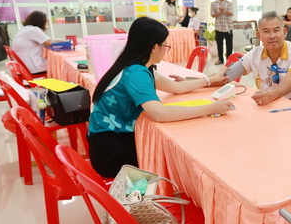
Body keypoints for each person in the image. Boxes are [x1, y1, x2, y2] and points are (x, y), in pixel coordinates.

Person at [88, 17, 232, 178]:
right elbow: (159, 113)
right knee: (173, 155)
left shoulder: (137, 65)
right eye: (165, 45)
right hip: (112, 152)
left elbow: (176, 87)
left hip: (108, 140)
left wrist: (210, 79)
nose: (165, 50)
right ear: (154, 47)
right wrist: (210, 108)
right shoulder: (136, 73)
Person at [241, 11, 291, 106]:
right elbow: (229, 73)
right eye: (266, 31)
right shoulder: (254, 54)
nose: (272, 36)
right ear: (259, 35)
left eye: (276, 30)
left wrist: (269, 96)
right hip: (266, 104)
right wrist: (217, 78)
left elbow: (289, 85)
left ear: (284, 32)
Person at [11, 11, 65, 75]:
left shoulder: (25, 29)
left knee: (57, 63)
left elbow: (47, 41)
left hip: (23, 64)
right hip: (32, 67)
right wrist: (66, 42)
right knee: (61, 65)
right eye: (46, 20)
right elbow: (50, 43)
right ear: (40, 21)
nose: (48, 22)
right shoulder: (34, 30)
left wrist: (61, 40)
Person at [211, 0, 234, 65]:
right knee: (219, 45)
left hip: (228, 27)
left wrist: (224, 11)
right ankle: (220, 59)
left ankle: (229, 60)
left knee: (229, 45)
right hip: (219, 27)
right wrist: (220, 12)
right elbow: (212, 15)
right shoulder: (214, 4)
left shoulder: (229, 3)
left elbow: (231, 13)